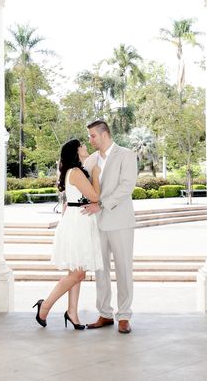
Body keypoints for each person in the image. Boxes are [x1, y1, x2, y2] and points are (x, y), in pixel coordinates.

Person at [33, 138, 103, 329]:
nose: (85, 147)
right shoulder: (76, 172)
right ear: (75, 152)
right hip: (78, 222)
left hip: (79, 219)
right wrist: (96, 173)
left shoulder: (75, 172)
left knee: (76, 270)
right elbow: (95, 196)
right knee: (78, 273)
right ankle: (45, 306)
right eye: (81, 145)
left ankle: (72, 312)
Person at [82, 119, 137, 334]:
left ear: (104, 134)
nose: (90, 140)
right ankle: (104, 313)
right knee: (100, 269)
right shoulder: (92, 160)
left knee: (123, 269)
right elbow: (82, 182)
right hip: (96, 222)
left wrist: (101, 204)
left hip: (120, 220)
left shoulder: (126, 154)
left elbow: (127, 186)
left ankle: (124, 315)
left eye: (92, 136)